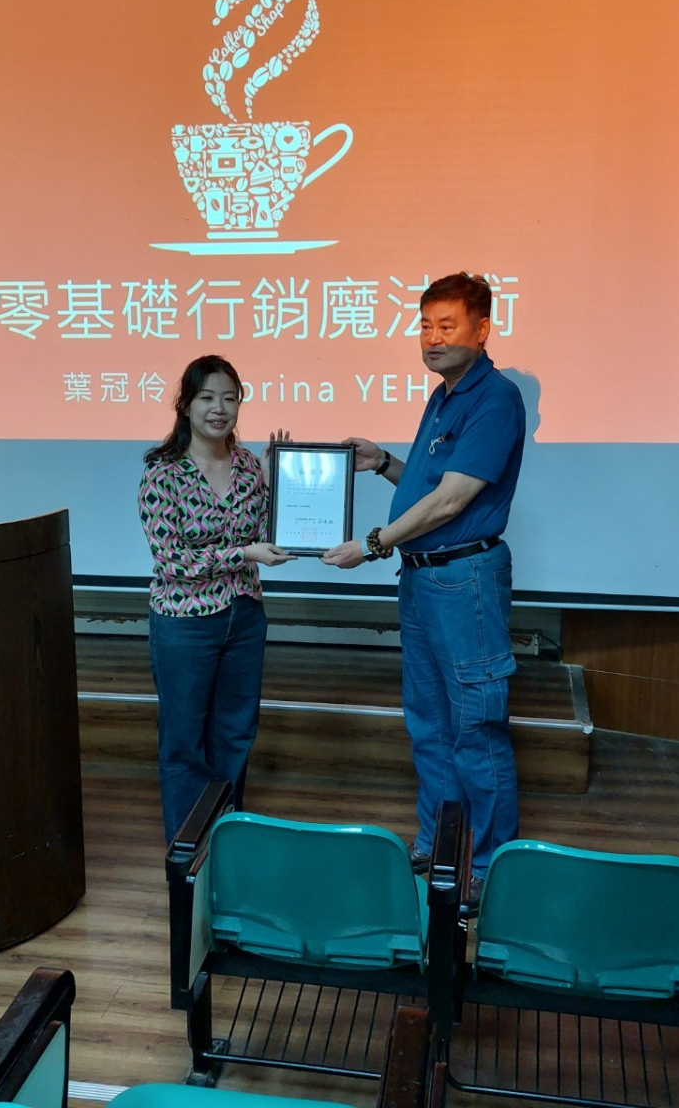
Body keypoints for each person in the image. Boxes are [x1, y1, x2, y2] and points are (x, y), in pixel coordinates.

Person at [322, 273, 525, 900]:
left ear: (482, 329)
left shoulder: (496, 399)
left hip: (463, 581)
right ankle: (441, 840)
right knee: (430, 721)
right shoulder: (444, 395)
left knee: (475, 726)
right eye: (425, 326)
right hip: (424, 579)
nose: (433, 338)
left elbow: (454, 501)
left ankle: (486, 866)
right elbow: (432, 488)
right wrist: (384, 463)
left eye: (447, 326)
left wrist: (373, 543)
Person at [138, 355, 293, 842]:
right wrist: (242, 553)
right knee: (184, 738)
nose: (219, 409)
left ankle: (226, 836)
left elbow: (269, 533)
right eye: (207, 397)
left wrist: (281, 482)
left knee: (236, 732)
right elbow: (172, 560)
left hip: (244, 614)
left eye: (229, 398)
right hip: (185, 622)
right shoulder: (163, 473)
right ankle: (189, 850)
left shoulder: (248, 468)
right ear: (185, 405)